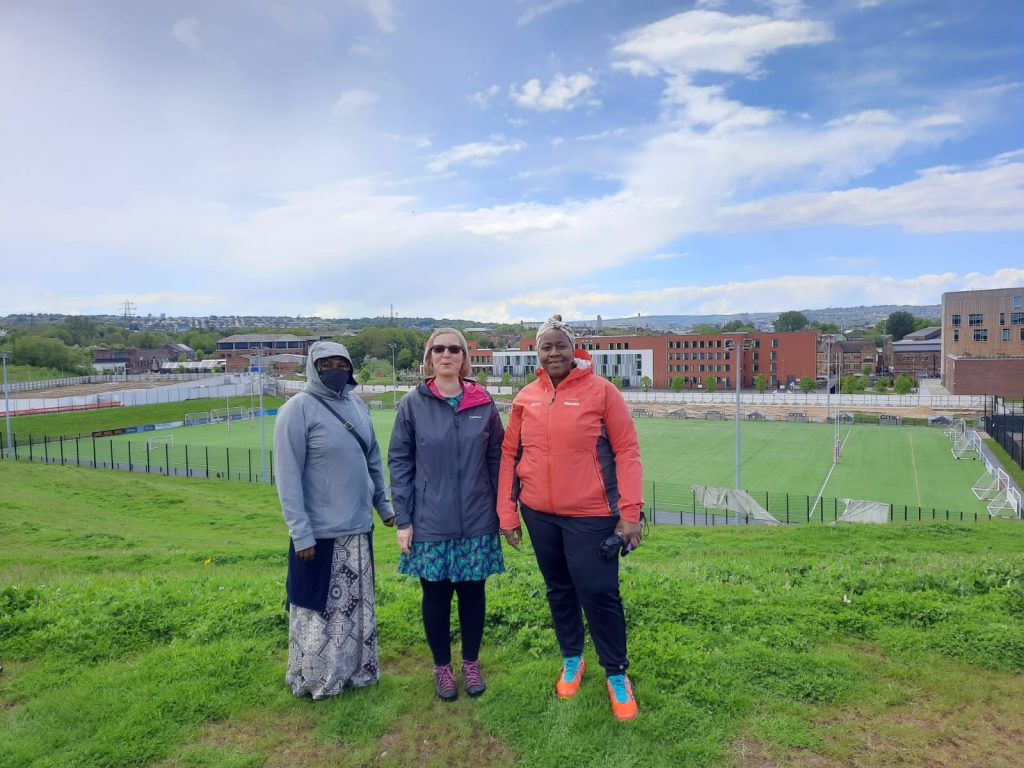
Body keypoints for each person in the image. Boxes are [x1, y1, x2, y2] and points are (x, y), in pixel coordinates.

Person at [497, 315, 644, 721]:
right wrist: (507, 512)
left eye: (560, 345)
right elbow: (510, 455)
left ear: (574, 349)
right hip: (539, 515)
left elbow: (628, 452)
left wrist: (629, 513)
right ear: (537, 354)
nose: (553, 352)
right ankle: (572, 658)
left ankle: (616, 673)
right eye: (546, 346)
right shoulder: (526, 397)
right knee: (559, 590)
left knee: (599, 593)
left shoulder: (602, 392)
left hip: (592, 515)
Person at [273, 340, 395, 699]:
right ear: (313, 367)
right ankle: (318, 679)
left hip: (358, 529)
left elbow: (372, 461)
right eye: (326, 364)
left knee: (355, 610)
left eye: (342, 362)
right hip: (319, 536)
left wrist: (384, 508)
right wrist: (301, 534)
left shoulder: (357, 405)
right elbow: (287, 476)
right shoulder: (297, 410)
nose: (335, 369)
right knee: (320, 610)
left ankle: (357, 672)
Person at [388, 328, 505, 701]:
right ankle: (442, 669)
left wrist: (502, 511)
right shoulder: (412, 404)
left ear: (464, 358)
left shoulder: (482, 402)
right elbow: (400, 463)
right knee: (435, 598)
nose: (446, 354)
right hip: (430, 521)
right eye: (439, 349)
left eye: (454, 349)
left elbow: (497, 459)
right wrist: (403, 520)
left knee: (473, 595)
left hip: (477, 519)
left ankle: (470, 664)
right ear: (429, 357)